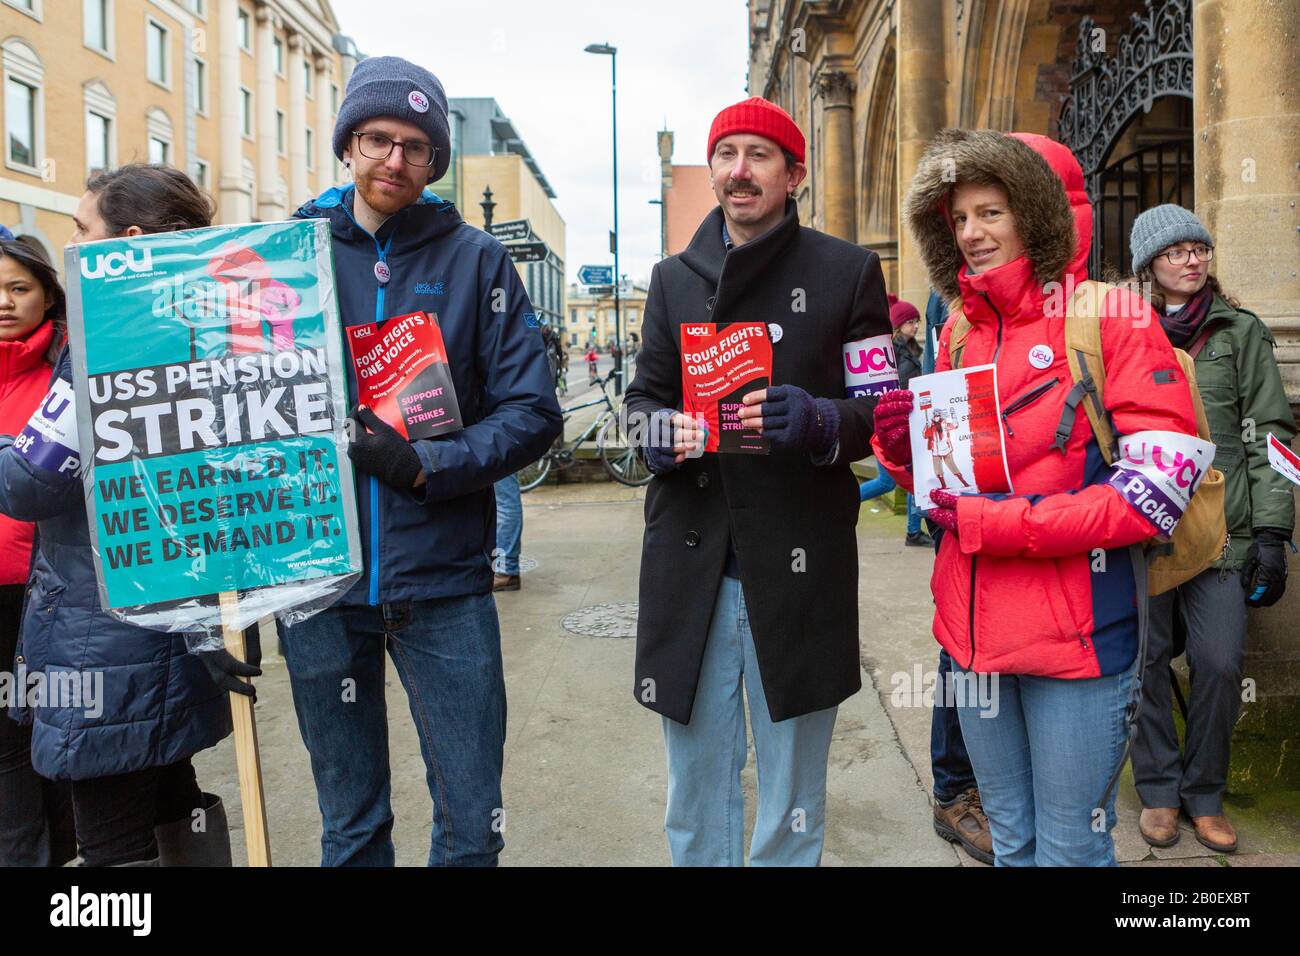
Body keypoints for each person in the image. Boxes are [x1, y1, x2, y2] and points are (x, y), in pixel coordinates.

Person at [872, 129, 1200, 866]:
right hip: (974, 640)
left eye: (990, 211)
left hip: (1078, 643)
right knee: (1010, 842)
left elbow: (1152, 495)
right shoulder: (958, 329)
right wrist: (904, 457)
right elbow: (949, 496)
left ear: (1037, 212)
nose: (972, 233)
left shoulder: (1113, 316)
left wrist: (997, 524)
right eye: (958, 218)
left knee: (1067, 850)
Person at [284, 55, 561, 866]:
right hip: (321, 585)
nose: (394, 161)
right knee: (352, 826)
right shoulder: (286, 256)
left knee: (473, 826)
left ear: (435, 160)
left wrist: (422, 466)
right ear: (347, 143)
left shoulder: (477, 260)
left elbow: (532, 411)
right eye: (376, 139)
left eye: (415, 146)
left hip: (444, 585)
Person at [626, 97, 890, 866]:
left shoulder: (848, 271)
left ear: (793, 173)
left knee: (792, 794)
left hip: (799, 565)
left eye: (759, 155)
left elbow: (879, 408)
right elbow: (643, 396)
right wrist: (658, 433)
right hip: (692, 564)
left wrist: (816, 422)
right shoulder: (673, 279)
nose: (739, 171)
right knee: (696, 783)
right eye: (726, 154)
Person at [0, 165, 241, 867]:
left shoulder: (106, 346)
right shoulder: (211, 333)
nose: (72, 246)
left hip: (102, 640)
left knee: (111, 836)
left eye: (81, 230)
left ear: (125, 244)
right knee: (169, 792)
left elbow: (29, 486)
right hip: (183, 625)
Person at [1126, 205, 1296, 853]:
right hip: (1145, 530)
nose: (1192, 260)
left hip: (1223, 536)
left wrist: (1274, 533)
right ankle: (1160, 792)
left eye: (1200, 249)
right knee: (1142, 662)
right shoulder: (1129, 331)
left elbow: (1273, 434)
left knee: (1221, 664)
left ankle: (1205, 794)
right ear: (1151, 265)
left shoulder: (1240, 332)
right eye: (1177, 251)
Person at [0, 240, 75, 867]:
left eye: (18, 288)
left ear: (48, 294)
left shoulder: (68, 367)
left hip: (44, 590)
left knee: (52, 727)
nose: (4, 302)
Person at [858, 296, 932, 547]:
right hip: (897, 429)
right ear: (898, 326)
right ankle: (843, 502)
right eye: (911, 322)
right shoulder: (898, 355)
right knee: (886, 483)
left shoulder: (911, 351)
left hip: (909, 426)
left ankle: (913, 530)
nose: (916, 327)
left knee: (913, 481)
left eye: (917, 322)